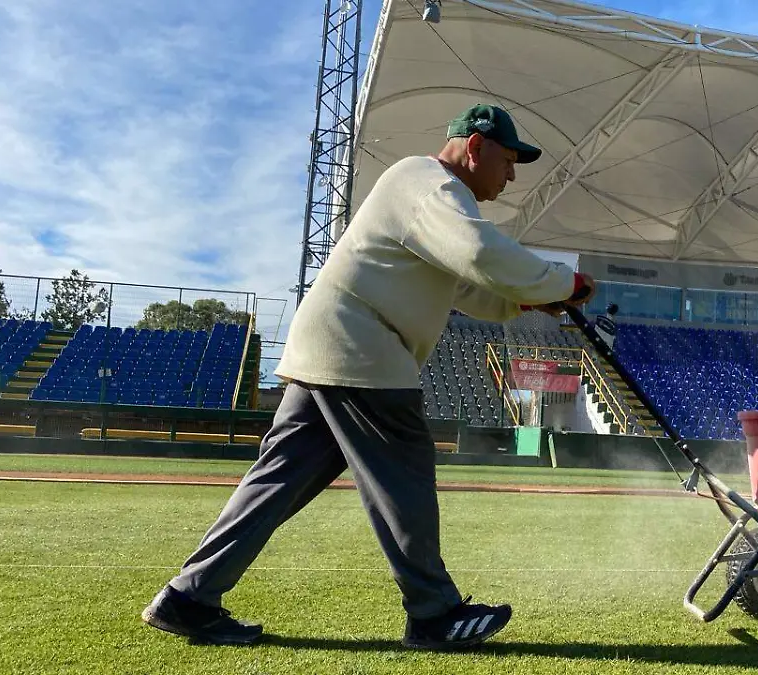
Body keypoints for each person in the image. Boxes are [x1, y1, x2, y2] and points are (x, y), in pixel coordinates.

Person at [141, 104, 596, 651]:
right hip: (362, 349)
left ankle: (188, 598)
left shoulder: (426, 196)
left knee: (275, 483)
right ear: (475, 147)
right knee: (403, 471)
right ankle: (434, 613)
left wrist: (524, 304)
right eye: (508, 159)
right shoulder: (430, 184)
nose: (512, 174)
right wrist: (561, 283)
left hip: (331, 347)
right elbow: (478, 252)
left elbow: (464, 284)